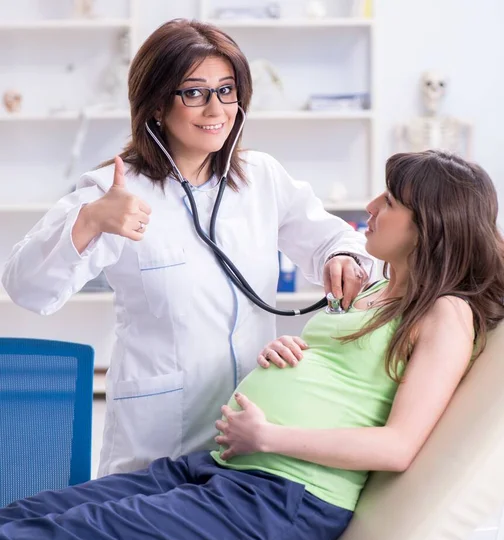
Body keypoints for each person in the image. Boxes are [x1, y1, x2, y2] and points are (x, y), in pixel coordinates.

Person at [1, 149, 504, 540]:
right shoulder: (377, 293)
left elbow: (397, 447)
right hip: (224, 470)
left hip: (281, 502)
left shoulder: (446, 315)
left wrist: (269, 434)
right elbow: (354, 374)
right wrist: (298, 351)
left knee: (65, 539)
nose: (369, 207)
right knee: (33, 514)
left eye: (390, 200)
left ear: (431, 224)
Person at [1, 19, 373, 477]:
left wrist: (341, 256)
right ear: (157, 104)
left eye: (227, 89)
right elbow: (26, 288)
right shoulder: (114, 190)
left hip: (252, 430)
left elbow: (338, 239)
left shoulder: (261, 177)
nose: (216, 108)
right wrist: (91, 220)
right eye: (194, 92)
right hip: (159, 438)